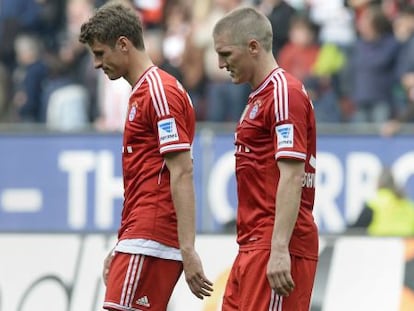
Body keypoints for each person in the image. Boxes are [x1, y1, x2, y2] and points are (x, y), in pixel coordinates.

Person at [78, 2, 213, 310]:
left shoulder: (158, 92)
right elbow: (146, 176)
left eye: (100, 53)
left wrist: (187, 248)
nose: (97, 64)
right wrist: (122, 243)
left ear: (123, 44)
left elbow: (182, 171)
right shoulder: (145, 92)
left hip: (150, 236)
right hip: (141, 235)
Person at [212, 7, 318, 311]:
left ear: (253, 47)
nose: (220, 64)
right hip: (252, 245)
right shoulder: (260, 97)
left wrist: (280, 248)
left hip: (275, 244)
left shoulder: (284, 92)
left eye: (226, 53)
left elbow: (292, 175)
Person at [351, 167, 414, 236]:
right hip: (406, 245)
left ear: (379, 183)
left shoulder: (375, 204)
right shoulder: (409, 205)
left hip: (380, 244)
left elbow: (356, 229)